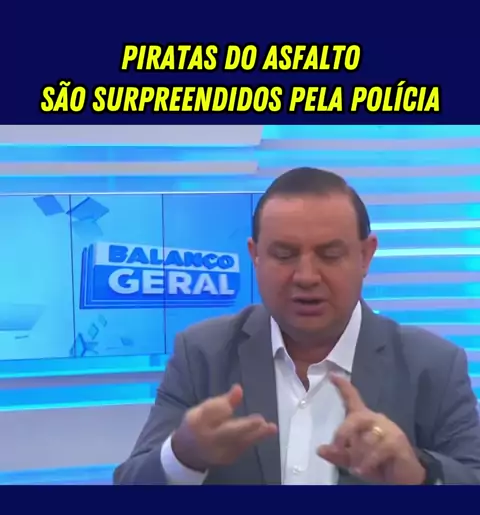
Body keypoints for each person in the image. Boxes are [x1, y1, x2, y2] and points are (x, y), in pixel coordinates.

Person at [113, 167, 480, 485]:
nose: (306, 276)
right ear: (255, 255)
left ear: (365, 255)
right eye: (284, 255)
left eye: (330, 255)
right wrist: (184, 455)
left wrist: (419, 476)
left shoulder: (431, 365)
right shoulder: (202, 355)